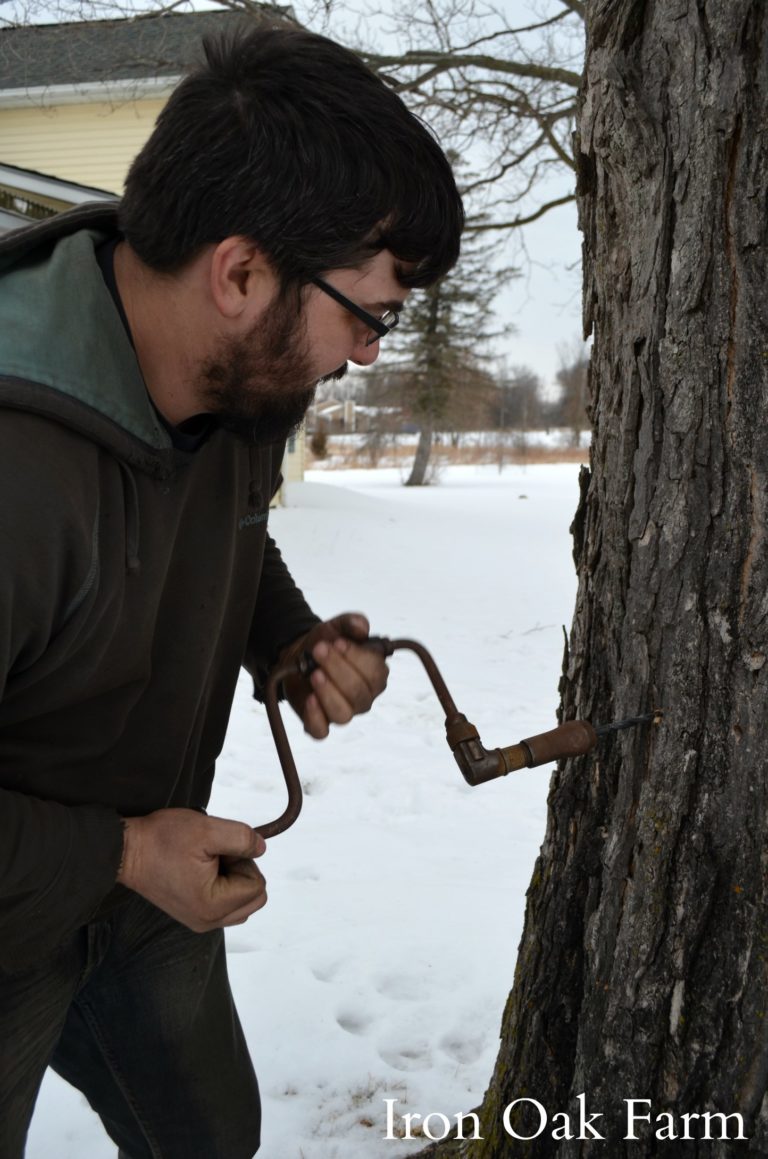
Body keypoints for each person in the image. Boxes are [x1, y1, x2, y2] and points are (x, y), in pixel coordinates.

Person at [0, 23, 463, 1159]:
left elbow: (228, 530)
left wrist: (288, 640)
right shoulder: (15, 473)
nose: (363, 355)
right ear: (242, 270)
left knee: (207, 1136)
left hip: (149, 898)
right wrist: (115, 852)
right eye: (369, 313)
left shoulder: (239, 379)